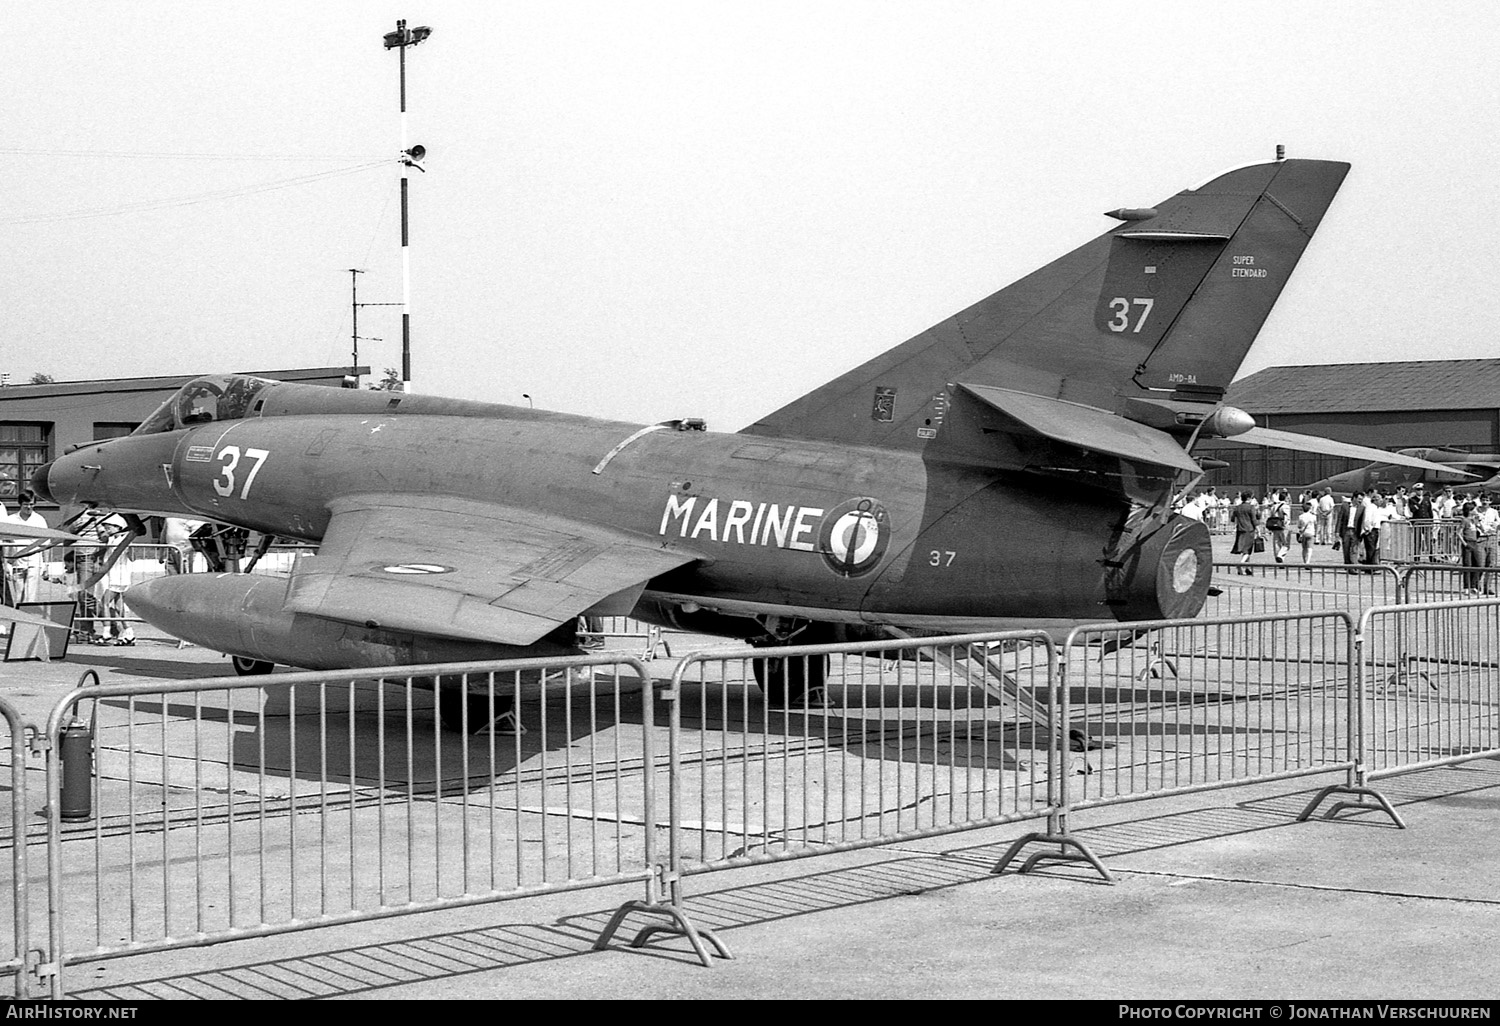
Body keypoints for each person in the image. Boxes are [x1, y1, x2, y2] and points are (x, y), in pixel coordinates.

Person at [4, 492, 50, 604]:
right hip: (17, 562)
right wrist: (6, 564)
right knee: (19, 596)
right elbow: (6, 542)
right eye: (26, 504)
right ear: (20, 504)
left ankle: (28, 620)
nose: (29, 507)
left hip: (34, 562)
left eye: (31, 504)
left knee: (30, 597)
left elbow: (45, 543)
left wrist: (46, 564)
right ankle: (19, 619)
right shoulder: (11, 520)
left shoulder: (39, 520)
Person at [1230, 491, 1261, 574]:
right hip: (1249, 530)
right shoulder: (1251, 507)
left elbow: (1232, 518)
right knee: (1248, 549)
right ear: (1248, 498)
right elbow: (1254, 520)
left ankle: (1247, 568)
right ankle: (1241, 564)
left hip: (1240, 529)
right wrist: (1258, 530)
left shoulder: (1237, 507)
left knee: (1244, 549)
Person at [1362, 492, 1393, 568]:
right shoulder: (1370, 507)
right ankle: (1370, 567)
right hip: (1371, 530)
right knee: (1371, 549)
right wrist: (1368, 529)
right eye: (1379, 501)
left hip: (1375, 530)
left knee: (1373, 549)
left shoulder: (1376, 508)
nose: (1381, 502)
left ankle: (1371, 566)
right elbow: (1367, 519)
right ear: (1375, 500)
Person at [1460, 502, 1484, 595]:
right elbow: (1458, 533)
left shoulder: (1474, 521)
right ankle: (1466, 586)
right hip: (1468, 542)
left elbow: (1482, 529)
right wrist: (1464, 543)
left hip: (1475, 543)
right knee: (1467, 565)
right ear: (1469, 510)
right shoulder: (1465, 520)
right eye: (1473, 509)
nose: (1475, 511)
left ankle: (1473, 585)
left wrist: (1479, 522)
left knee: (1477, 564)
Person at [1335, 491, 1362, 571]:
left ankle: (1353, 566)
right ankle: (1347, 564)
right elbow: (1340, 519)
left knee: (1354, 549)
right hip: (1346, 530)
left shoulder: (1362, 508)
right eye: (1359, 499)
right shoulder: (1345, 506)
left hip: (1355, 531)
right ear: (1354, 498)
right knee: (1346, 548)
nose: (1360, 501)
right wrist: (1337, 531)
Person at [1265, 488, 1292, 564]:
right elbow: (1287, 517)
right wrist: (1286, 525)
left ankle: (1277, 558)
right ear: (1285, 498)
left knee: (1276, 543)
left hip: (1275, 525)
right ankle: (1280, 556)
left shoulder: (1274, 506)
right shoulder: (1286, 506)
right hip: (1283, 526)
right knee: (1286, 544)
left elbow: (1271, 515)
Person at [1296, 501, 1317, 565]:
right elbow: (1315, 524)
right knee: (1310, 548)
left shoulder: (1301, 516)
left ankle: (1304, 561)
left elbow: (1299, 526)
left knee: (1304, 548)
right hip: (1311, 532)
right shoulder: (1313, 516)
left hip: (1303, 533)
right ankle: (1308, 561)